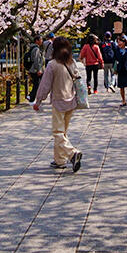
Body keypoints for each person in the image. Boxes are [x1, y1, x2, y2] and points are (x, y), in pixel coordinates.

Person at [32, 37, 83, 172]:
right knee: (63, 132)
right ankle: (59, 160)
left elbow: (45, 85)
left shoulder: (52, 64)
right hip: (71, 101)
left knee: (57, 132)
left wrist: (38, 101)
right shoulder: (71, 62)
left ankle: (72, 153)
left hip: (59, 102)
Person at [24, 34, 46, 101]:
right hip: (35, 70)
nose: (42, 41)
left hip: (34, 69)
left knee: (37, 84)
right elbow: (36, 60)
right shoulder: (36, 49)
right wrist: (38, 70)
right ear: (37, 41)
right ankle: (30, 97)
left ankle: (32, 97)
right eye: (40, 39)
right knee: (37, 84)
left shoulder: (33, 48)